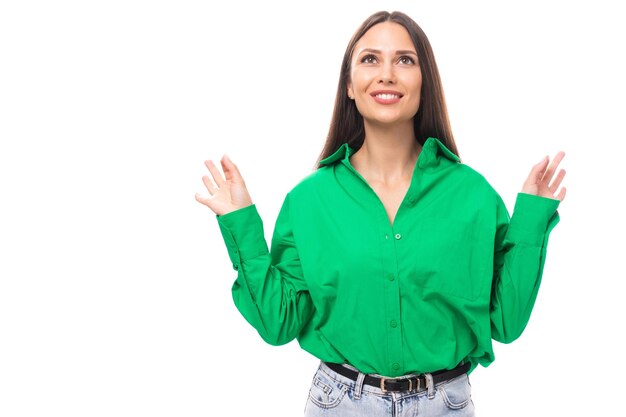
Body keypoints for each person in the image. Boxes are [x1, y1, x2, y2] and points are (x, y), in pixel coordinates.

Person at [195, 10, 566, 417]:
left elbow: (506, 323)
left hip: (446, 404)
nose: (387, 74)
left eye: (405, 60)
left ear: (424, 82)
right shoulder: (309, 200)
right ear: (349, 86)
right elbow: (278, 324)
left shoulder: (472, 194)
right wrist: (241, 222)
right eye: (370, 59)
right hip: (340, 404)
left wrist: (531, 220)